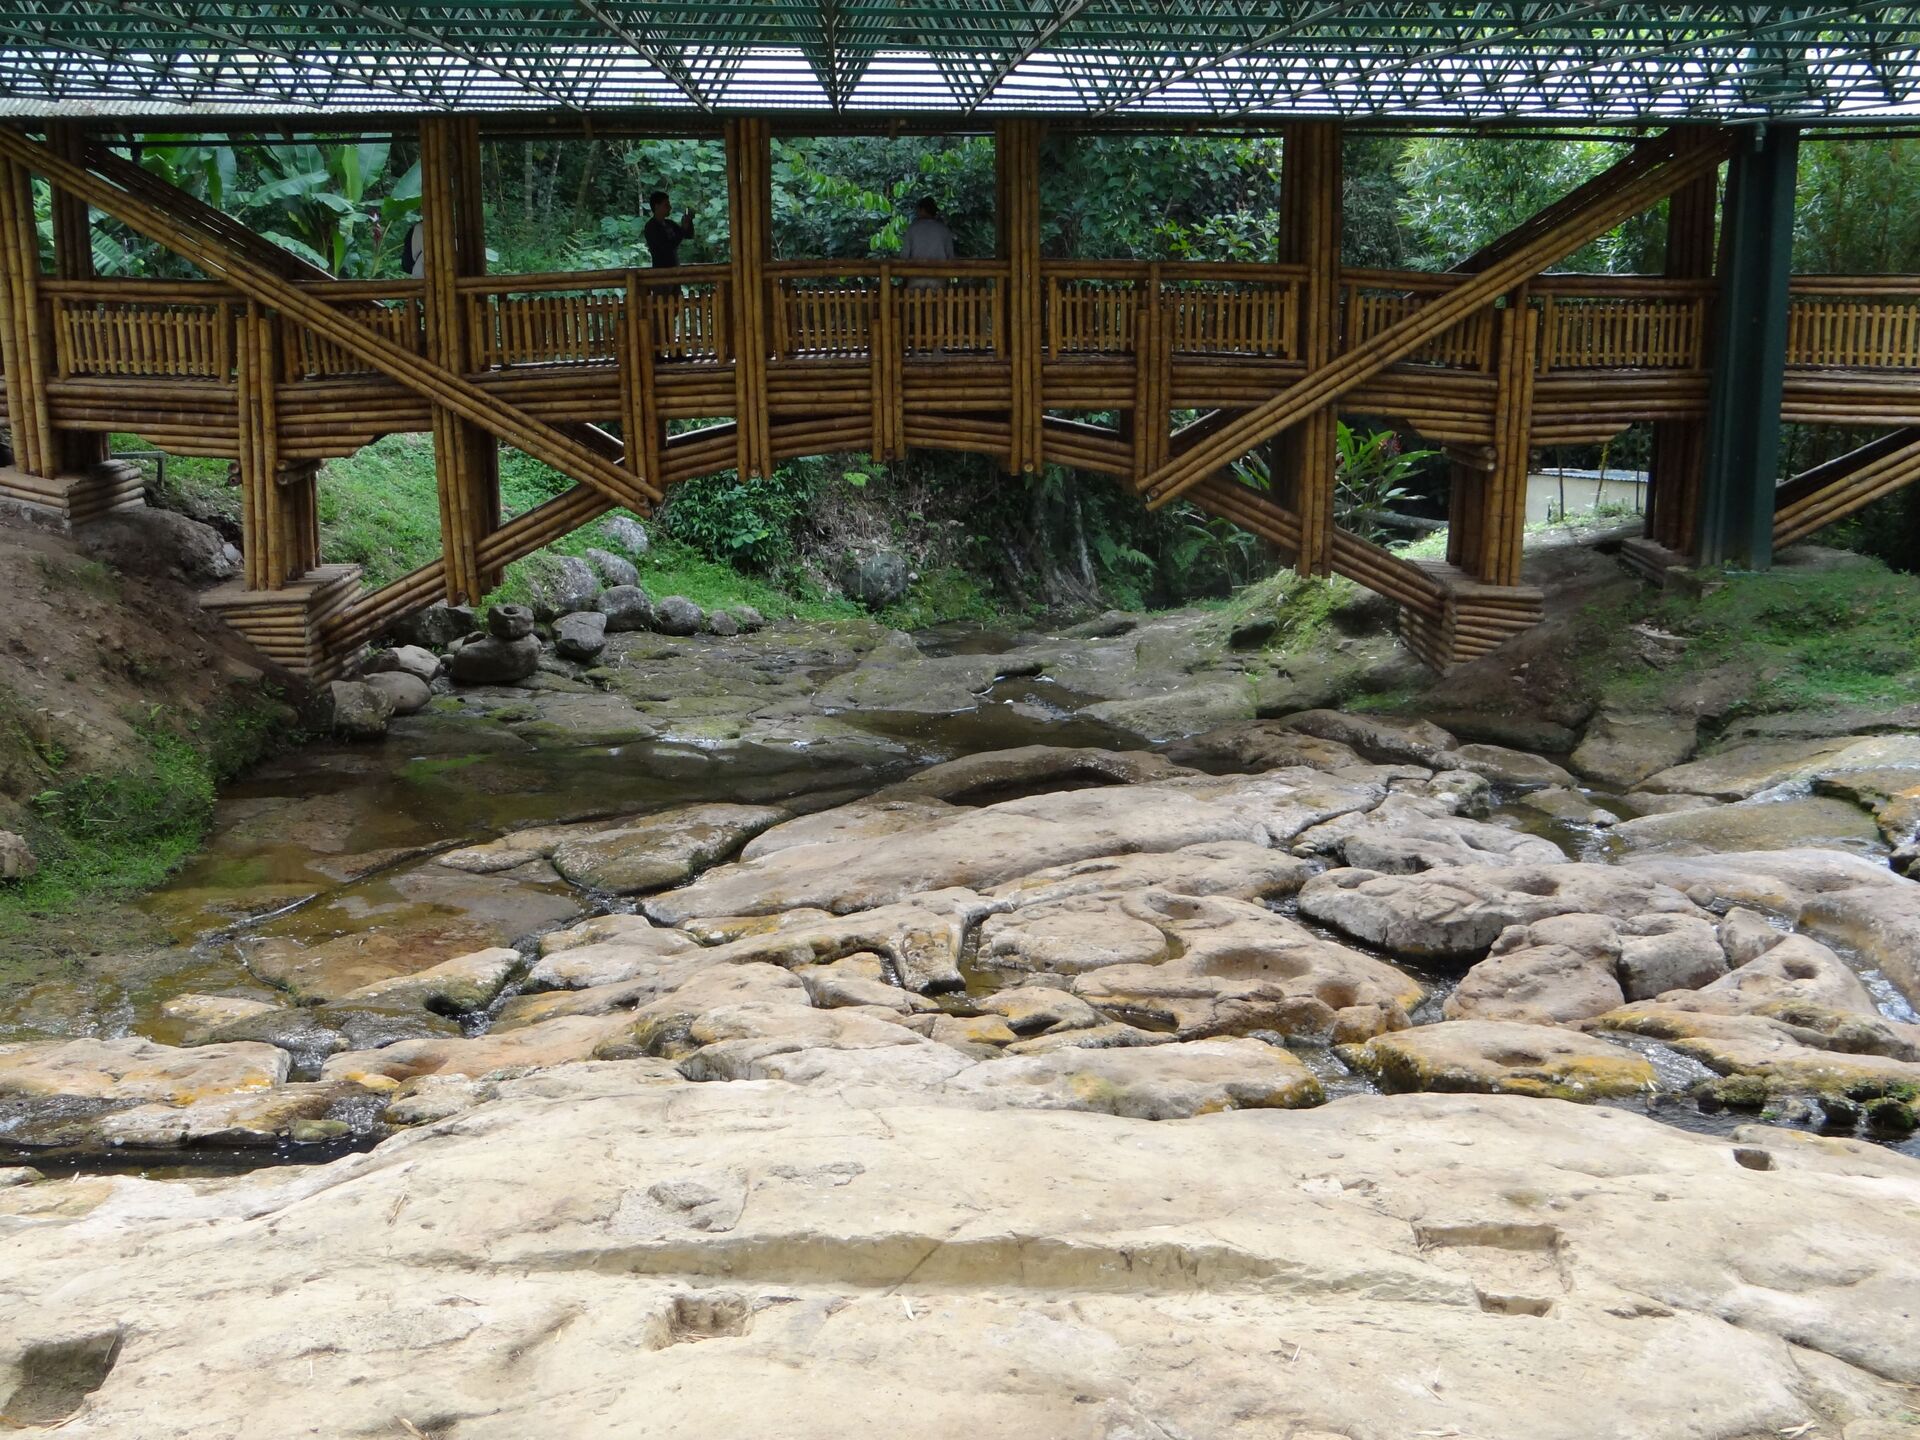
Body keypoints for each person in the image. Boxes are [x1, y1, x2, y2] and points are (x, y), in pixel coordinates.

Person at [899, 195, 955, 284]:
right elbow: (950, 257)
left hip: (915, 280)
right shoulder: (944, 230)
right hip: (939, 280)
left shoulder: (912, 229)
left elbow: (904, 257)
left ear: (922, 209)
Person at [644, 190, 694, 269]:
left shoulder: (670, 224)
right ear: (657, 206)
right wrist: (683, 229)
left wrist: (689, 222)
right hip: (661, 271)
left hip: (675, 268)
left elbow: (688, 235)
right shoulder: (651, 227)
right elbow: (667, 247)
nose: (670, 207)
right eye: (666, 205)